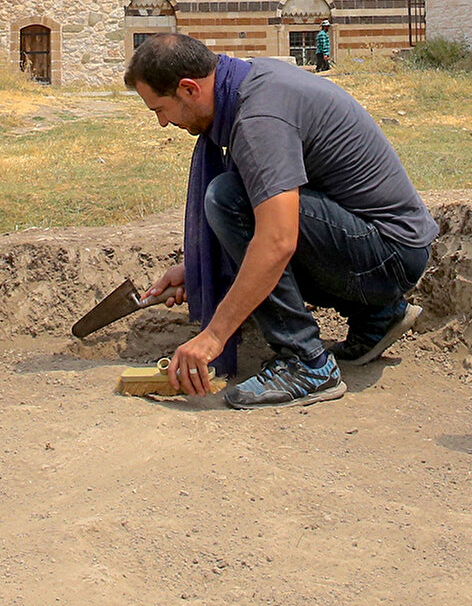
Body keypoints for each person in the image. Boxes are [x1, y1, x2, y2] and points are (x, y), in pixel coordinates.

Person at [126, 32, 438, 410]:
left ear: (189, 89)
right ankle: (377, 314)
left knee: (228, 201)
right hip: (384, 246)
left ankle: (305, 362)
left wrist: (212, 337)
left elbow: (277, 242)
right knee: (247, 206)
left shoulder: (259, 117)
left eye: (159, 109)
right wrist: (196, 269)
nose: (162, 123)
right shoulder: (246, 81)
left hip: (389, 255)